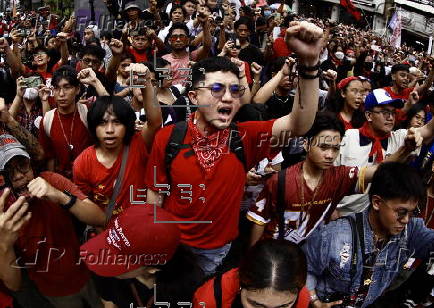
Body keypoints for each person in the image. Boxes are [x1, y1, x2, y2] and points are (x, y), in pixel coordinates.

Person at [145, 21, 324, 276]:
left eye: (234, 90)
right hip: (173, 247)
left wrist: (310, 62)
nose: (228, 97)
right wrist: (155, 243)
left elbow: (299, 123)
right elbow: (155, 196)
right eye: (217, 89)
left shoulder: (246, 137)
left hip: (217, 252)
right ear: (194, 98)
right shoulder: (168, 137)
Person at [247, 112, 412, 245]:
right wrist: (252, 258)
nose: (330, 155)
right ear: (306, 144)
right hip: (272, 250)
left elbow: (378, 170)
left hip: (307, 252)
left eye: (335, 149)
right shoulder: (280, 181)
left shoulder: (340, 176)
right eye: (323, 147)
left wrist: (406, 148)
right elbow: (259, 222)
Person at [303, 162, 434, 308]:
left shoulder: (411, 231)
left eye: (413, 213)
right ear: (377, 202)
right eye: (401, 212)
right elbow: (304, 270)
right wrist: (315, 301)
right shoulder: (334, 236)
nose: (406, 220)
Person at [0, 134, 105, 308]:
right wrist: (4, 244)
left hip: (86, 274)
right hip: (54, 291)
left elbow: (99, 218)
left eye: (22, 166)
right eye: (8, 172)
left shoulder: (51, 180)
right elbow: (14, 284)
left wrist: (60, 197)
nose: (19, 176)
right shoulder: (4, 216)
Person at [73, 64, 161, 225]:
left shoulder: (137, 144)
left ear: (127, 126)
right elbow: (87, 206)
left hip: (140, 229)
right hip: (107, 235)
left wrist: (146, 82)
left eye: (117, 123)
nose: (110, 130)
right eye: (102, 123)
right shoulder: (82, 163)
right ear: (93, 127)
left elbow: (155, 122)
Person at [80, 204, 204, 307]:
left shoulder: (189, 288)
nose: (101, 259)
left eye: (117, 263)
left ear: (152, 268)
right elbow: (109, 300)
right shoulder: (105, 273)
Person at [192, 239, 311, 308]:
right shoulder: (209, 300)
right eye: (257, 305)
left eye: (283, 306)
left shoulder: (301, 297)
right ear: (241, 283)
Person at [38, 66, 108, 178]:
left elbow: (113, 113)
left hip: (91, 179)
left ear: (78, 89)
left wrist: (95, 82)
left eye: (67, 87)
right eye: (56, 88)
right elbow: (49, 158)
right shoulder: (47, 120)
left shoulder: (88, 112)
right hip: (63, 184)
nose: (61, 94)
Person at [162, 21, 212, 87]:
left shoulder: (194, 57)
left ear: (188, 40)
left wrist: (205, 25)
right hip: (169, 96)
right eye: (174, 37)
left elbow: (207, 47)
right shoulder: (163, 59)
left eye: (182, 37)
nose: (178, 40)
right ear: (169, 41)